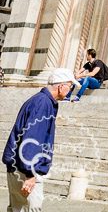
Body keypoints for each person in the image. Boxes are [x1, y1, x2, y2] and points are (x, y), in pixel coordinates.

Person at [3, 67, 75, 212]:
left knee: (17, 209)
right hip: (26, 169)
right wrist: (30, 174)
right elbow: (32, 138)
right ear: (61, 87)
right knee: (32, 208)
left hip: (18, 166)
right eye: (71, 87)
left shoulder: (40, 100)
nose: (71, 91)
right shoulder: (43, 103)